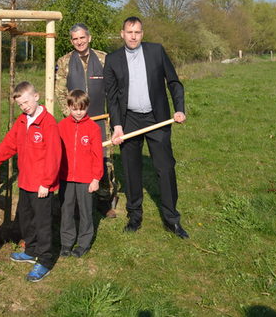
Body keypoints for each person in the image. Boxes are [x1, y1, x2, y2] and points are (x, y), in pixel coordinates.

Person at [105, 16, 188, 238]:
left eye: (138, 32)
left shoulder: (156, 52)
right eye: (129, 32)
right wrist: (117, 126)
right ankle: (135, 217)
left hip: (157, 118)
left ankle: (172, 219)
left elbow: (174, 82)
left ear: (143, 34)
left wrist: (179, 108)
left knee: (165, 168)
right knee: (131, 171)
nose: (133, 36)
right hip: (129, 120)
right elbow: (111, 98)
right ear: (122, 34)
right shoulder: (112, 60)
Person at [0, 81, 61, 282]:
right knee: (26, 218)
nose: (24, 107)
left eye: (26, 102)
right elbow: (9, 144)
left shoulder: (48, 123)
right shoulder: (21, 121)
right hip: (26, 182)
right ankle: (31, 250)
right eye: (20, 105)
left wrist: (47, 182)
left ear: (36, 96)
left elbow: (54, 155)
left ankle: (44, 260)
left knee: (42, 222)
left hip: (42, 185)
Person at [54, 23, 117, 218]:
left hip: (100, 119)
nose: (79, 41)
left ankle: (104, 200)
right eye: (75, 39)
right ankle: (74, 201)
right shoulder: (64, 61)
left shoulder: (104, 58)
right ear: (71, 41)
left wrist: (114, 115)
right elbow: (60, 91)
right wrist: (70, 114)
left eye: (82, 37)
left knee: (104, 159)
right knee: (77, 160)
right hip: (76, 121)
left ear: (89, 38)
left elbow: (113, 88)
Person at [58, 90, 103, 258]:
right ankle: (66, 243)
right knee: (66, 210)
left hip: (86, 179)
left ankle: (84, 242)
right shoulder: (61, 126)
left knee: (85, 211)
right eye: (75, 108)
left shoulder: (93, 128)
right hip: (66, 177)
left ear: (87, 107)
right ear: (69, 107)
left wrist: (95, 178)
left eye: (82, 109)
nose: (78, 112)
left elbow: (98, 155)